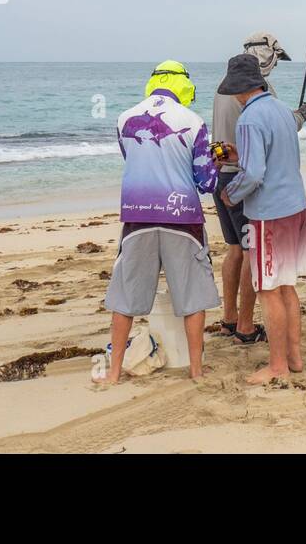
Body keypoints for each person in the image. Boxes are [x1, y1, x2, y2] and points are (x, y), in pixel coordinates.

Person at [100, 60, 219, 383]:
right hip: (183, 218)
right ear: (184, 86)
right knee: (192, 295)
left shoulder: (124, 119)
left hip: (137, 215)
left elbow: (133, 159)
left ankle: (113, 372)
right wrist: (217, 162)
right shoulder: (194, 121)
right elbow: (206, 182)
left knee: (126, 295)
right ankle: (196, 370)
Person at [210, 31, 306, 344]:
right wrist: (304, 115)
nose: (276, 66)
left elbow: (254, 141)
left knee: (233, 250)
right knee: (249, 252)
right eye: (276, 59)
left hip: (223, 173)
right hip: (242, 183)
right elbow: (275, 129)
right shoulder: (258, 91)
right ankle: (244, 326)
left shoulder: (222, 87)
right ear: (266, 57)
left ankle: (228, 319)